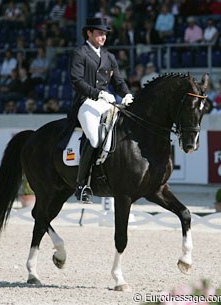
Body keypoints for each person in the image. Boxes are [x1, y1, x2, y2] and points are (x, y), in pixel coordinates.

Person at [69, 17, 132, 203]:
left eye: (104, 33)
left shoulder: (109, 56)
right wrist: (97, 93)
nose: (103, 36)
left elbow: (118, 81)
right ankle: (81, 185)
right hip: (86, 102)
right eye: (99, 33)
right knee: (95, 139)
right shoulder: (79, 53)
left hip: (107, 101)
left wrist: (127, 94)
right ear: (89, 33)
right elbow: (76, 81)